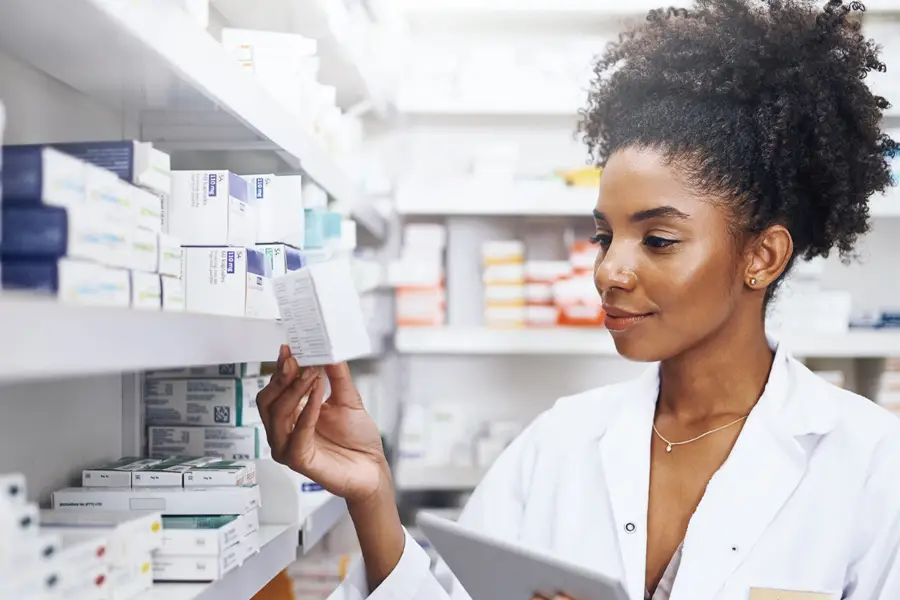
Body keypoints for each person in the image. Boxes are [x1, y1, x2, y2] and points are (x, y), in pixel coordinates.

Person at [256, 0, 900, 598]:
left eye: (658, 239)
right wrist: (372, 494)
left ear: (762, 257)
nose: (609, 270)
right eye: (603, 235)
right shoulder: (563, 440)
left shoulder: (870, 462)